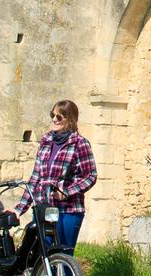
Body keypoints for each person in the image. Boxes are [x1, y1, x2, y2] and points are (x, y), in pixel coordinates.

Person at [14, 99, 96, 253]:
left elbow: (90, 176)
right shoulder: (46, 142)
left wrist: (66, 192)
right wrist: (19, 209)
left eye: (59, 117)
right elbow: (35, 178)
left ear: (70, 119)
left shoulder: (80, 144)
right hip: (43, 208)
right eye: (52, 115)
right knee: (41, 255)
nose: (54, 119)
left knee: (63, 255)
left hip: (68, 210)